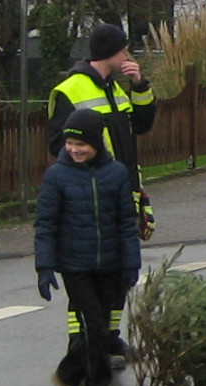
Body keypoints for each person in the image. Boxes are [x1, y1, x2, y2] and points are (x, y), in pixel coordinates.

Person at [49, 20, 156, 351]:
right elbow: (58, 145)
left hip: (123, 193)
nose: (127, 53)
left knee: (119, 276)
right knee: (87, 277)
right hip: (91, 198)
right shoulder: (71, 90)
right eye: (124, 48)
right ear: (110, 52)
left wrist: (139, 85)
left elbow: (142, 124)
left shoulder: (115, 87)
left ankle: (108, 340)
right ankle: (80, 344)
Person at [34, 114, 140, 386]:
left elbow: (126, 223)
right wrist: (44, 266)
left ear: (95, 142)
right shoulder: (57, 176)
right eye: (69, 143)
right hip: (75, 266)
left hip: (110, 265)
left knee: (101, 330)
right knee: (93, 326)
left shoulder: (116, 174)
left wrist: (131, 263)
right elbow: (46, 224)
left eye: (81, 143)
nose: (74, 150)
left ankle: (67, 375)